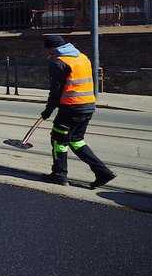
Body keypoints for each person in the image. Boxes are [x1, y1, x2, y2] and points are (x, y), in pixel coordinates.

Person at [40, 35, 116, 188]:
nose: (48, 54)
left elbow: (55, 91)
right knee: (76, 140)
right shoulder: (82, 57)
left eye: (48, 50)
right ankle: (103, 172)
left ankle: (59, 175)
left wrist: (48, 110)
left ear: (52, 48)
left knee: (58, 140)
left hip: (71, 108)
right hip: (88, 106)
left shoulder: (59, 63)